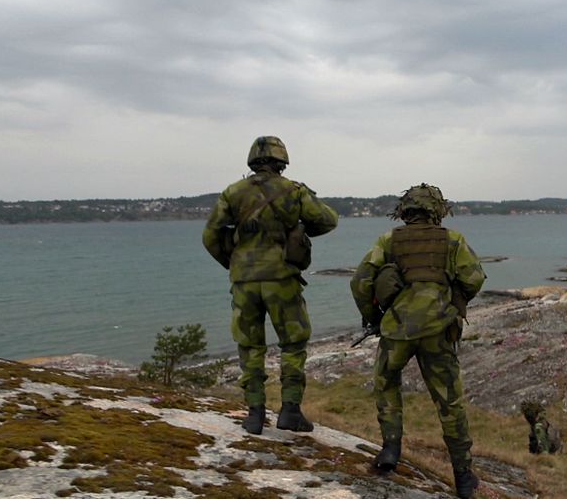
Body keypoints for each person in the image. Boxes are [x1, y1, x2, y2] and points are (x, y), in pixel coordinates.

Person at [350, 183, 486, 499]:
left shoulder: (389, 240)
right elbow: (474, 278)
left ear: (405, 211)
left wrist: (374, 319)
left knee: (386, 384)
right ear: (437, 210)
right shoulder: (453, 240)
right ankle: (463, 476)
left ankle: (390, 450)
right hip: (438, 331)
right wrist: (453, 301)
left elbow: (360, 281)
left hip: (396, 330)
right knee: (449, 401)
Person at [202, 136, 338, 435]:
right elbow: (328, 220)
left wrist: (234, 263)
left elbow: (210, 234)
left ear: (252, 161)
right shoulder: (293, 191)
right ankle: (290, 410)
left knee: (249, 345)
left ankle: (254, 414)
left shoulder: (232, 193)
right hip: (282, 279)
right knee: (293, 343)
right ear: (282, 162)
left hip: (244, 281)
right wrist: (299, 228)